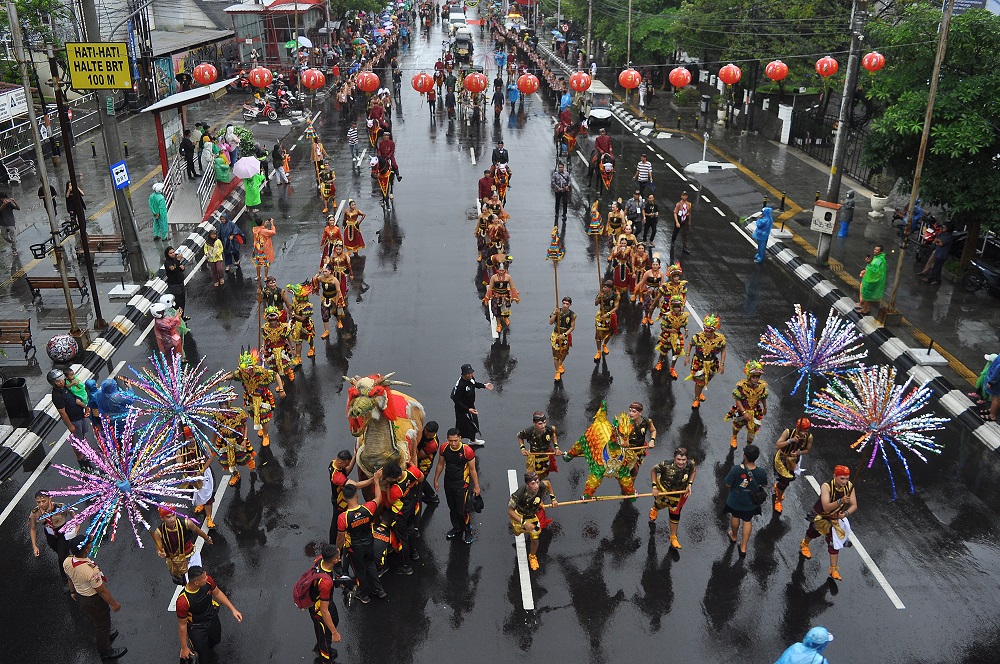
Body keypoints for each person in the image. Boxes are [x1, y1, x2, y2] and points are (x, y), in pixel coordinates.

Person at [64, 541, 127, 661]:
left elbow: (70, 578)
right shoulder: (90, 571)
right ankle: (105, 651)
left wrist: (72, 592)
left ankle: (106, 636)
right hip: (93, 600)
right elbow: (102, 591)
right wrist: (114, 604)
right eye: (88, 545)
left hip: (80, 595)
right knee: (102, 624)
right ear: (86, 550)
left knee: (98, 620)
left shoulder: (67, 561)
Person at [800, 465, 858, 580]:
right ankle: (805, 544)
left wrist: (845, 514)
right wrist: (841, 501)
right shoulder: (826, 486)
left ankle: (833, 569)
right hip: (821, 516)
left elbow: (854, 505)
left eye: (847, 478)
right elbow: (826, 507)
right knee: (813, 532)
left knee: (834, 542)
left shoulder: (849, 486)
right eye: (842, 478)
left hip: (835, 518)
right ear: (834, 476)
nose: (845, 481)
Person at [176, 566, 243, 664]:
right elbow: (182, 625)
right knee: (204, 657)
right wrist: (184, 647)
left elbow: (218, 593)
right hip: (197, 627)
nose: (207, 578)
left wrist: (233, 610)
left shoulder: (208, 581)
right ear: (196, 583)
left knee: (216, 639)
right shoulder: (183, 601)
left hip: (212, 618)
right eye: (203, 577)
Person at [336, 479, 387, 603]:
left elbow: (340, 538)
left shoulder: (343, 518)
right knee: (370, 565)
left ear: (344, 497)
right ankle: (379, 590)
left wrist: (338, 550)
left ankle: (364, 595)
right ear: (357, 495)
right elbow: (378, 497)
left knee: (360, 571)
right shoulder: (368, 508)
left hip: (355, 548)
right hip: (369, 542)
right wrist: (376, 481)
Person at [433, 428, 481, 544]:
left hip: (462, 484)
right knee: (452, 508)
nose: (453, 443)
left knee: (462, 510)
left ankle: (468, 531)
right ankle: (457, 527)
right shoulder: (444, 448)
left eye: (455, 440)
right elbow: (440, 464)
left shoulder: (467, 451)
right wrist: (436, 479)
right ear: (447, 439)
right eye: (451, 441)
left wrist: (476, 486)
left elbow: (473, 470)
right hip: (448, 482)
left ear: (460, 438)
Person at [724, 444, 767, 558]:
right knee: (747, 521)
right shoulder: (761, 472)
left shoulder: (736, 469)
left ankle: (733, 536)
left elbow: (728, 484)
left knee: (735, 516)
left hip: (736, 500)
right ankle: (743, 547)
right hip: (751, 503)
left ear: (745, 456)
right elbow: (764, 484)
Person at [28, 490, 81, 583]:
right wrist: (34, 546)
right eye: (38, 502)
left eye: (43, 501)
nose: (41, 504)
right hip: (50, 534)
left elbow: (72, 513)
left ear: (50, 499)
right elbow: (32, 528)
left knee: (61, 556)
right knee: (63, 554)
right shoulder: (35, 513)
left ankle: (66, 580)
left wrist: (78, 525)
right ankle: (72, 562)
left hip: (62, 532)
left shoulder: (60, 507)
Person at [508, 471, 557, 570]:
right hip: (520, 516)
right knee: (517, 532)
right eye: (533, 483)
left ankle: (532, 556)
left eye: (537, 482)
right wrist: (524, 523)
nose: (536, 486)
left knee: (535, 538)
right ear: (527, 484)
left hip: (532, 516)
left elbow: (548, 483)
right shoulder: (519, 494)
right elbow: (510, 511)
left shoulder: (541, 486)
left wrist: (553, 499)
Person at [649, 447, 696, 549]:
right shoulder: (665, 465)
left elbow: (693, 471)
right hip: (664, 491)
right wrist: (654, 487)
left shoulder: (690, 464)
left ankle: (673, 536)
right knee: (660, 504)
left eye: (683, 460)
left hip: (679, 493)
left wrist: (690, 484)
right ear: (674, 458)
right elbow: (653, 470)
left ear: (687, 459)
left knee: (675, 512)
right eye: (678, 459)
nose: (681, 462)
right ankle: (655, 508)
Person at [382, 461, 424, 574]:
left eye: (389, 478)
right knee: (411, 531)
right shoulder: (413, 471)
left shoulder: (395, 489)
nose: (388, 479)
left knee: (403, 539)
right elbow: (421, 478)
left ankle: (406, 566)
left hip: (400, 514)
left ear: (397, 477)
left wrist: (387, 489)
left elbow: (391, 501)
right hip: (411, 507)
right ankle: (414, 553)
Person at [152, 508, 213, 585]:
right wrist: (161, 553)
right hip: (177, 561)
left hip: (191, 554)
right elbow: (159, 548)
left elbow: (197, 530)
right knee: (187, 583)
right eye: (168, 517)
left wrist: (207, 538)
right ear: (162, 518)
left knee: (199, 577)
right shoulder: (159, 532)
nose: (172, 519)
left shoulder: (187, 523)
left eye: (173, 515)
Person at [307, 544, 343, 663]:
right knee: (325, 639)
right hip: (320, 611)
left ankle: (319, 648)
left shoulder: (318, 560)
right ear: (334, 560)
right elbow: (324, 610)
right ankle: (325, 659)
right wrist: (335, 633)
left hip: (317, 604)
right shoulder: (326, 583)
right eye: (338, 556)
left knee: (322, 630)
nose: (340, 557)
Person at [771, 417, 813, 514]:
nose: (803, 433)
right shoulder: (788, 432)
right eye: (801, 431)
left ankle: (779, 496)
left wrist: (799, 453)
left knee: (785, 482)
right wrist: (790, 441)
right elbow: (778, 445)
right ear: (797, 428)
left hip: (793, 461)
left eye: (805, 431)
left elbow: (807, 450)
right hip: (782, 458)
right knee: (782, 479)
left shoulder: (809, 437)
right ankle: (778, 498)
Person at [685, 313, 727, 409]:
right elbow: (690, 344)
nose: (707, 333)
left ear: (714, 330)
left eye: (710, 331)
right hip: (699, 362)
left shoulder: (720, 340)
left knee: (705, 380)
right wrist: (687, 356)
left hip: (711, 363)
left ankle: (699, 393)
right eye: (706, 330)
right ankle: (696, 398)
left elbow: (723, 350)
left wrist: (722, 364)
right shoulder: (698, 337)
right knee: (699, 382)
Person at [726, 360, 768, 448]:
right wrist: (744, 412)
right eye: (754, 377)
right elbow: (737, 400)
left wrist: (765, 407)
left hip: (755, 410)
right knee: (737, 425)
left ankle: (748, 445)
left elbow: (763, 397)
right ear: (749, 376)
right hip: (742, 409)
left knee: (753, 428)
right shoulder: (742, 386)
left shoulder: (762, 387)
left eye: (758, 377)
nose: (756, 379)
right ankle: (734, 437)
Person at [214, 396, 254, 486]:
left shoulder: (238, 412)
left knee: (243, 457)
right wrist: (212, 443)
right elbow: (215, 430)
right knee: (228, 461)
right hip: (225, 442)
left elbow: (245, 426)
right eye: (221, 404)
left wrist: (244, 439)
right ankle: (235, 474)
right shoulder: (217, 415)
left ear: (229, 403)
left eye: (225, 403)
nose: (223, 406)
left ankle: (251, 464)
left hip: (238, 440)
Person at [49, 368, 89, 458]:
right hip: (73, 420)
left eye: (62, 379)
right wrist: (70, 425)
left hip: (80, 415)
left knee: (82, 435)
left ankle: (85, 449)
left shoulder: (65, 386)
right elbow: (62, 413)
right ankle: (80, 457)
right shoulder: (57, 395)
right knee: (76, 440)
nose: (61, 382)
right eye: (57, 381)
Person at [451, 364, 493, 446]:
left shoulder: (470, 379)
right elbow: (456, 400)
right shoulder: (460, 385)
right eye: (468, 374)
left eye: (471, 373)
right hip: (462, 409)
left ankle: (472, 439)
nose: (470, 375)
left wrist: (484, 386)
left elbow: (475, 384)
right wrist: (467, 409)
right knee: (462, 425)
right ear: (463, 374)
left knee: (473, 423)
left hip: (470, 406)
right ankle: (457, 441)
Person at [328, 449, 356, 543]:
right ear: (340, 462)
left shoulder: (334, 463)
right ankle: (334, 544)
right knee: (337, 523)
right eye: (346, 463)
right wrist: (373, 479)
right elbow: (355, 485)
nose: (348, 465)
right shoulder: (336, 476)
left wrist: (355, 456)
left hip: (338, 498)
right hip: (340, 502)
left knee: (335, 520)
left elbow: (346, 471)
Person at [550, 296, 576, 380]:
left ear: (570, 305)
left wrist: (564, 335)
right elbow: (550, 322)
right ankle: (557, 371)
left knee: (564, 353)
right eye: (563, 303)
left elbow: (572, 327)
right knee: (556, 355)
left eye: (567, 304)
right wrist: (555, 314)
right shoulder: (557, 311)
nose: (565, 305)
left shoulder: (572, 314)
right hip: (556, 335)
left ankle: (560, 363)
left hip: (565, 336)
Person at [856, 244, 886, 315]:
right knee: (868, 295)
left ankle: (864, 309)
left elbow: (875, 270)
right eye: (875, 249)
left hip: (872, 280)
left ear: (880, 252)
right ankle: (867, 307)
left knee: (867, 294)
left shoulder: (879, 260)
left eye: (877, 250)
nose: (875, 251)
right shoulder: (877, 258)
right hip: (870, 278)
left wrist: (869, 263)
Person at [416, 421, 441, 505]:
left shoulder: (433, 444)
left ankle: (430, 497)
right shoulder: (422, 430)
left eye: (429, 434)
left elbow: (419, 456)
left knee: (419, 481)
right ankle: (432, 496)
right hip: (418, 456)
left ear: (435, 433)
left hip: (424, 464)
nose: (426, 434)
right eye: (426, 432)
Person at [594, 280, 620, 360]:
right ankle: (598, 351)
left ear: (610, 288)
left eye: (606, 287)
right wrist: (599, 297)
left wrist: (608, 314)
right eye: (604, 287)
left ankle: (604, 344)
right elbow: (596, 303)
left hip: (610, 316)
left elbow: (616, 307)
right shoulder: (601, 293)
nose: (604, 288)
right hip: (601, 315)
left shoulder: (616, 296)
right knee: (598, 334)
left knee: (609, 332)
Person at [164, 246, 187, 311]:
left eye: (173, 252)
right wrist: (178, 260)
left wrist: (182, 268)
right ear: (167, 254)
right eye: (170, 253)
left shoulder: (175, 260)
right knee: (178, 302)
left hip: (181, 283)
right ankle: (178, 318)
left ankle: (181, 316)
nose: (173, 254)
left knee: (182, 301)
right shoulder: (167, 263)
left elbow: (178, 267)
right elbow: (173, 269)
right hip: (174, 285)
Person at [672, 190, 692, 258]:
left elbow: (689, 213)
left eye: (686, 195)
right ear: (681, 196)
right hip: (679, 218)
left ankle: (685, 248)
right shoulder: (679, 204)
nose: (684, 196)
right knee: (676, 231)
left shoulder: (688, 204)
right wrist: (677, 222)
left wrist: (689, 221)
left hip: (685, 219)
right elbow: (675, 213)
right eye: (683, 195)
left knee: (685, 234)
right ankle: (673, 241)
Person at [0, 190, 19, 256]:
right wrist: (3, 204)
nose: (5, 200)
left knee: (13, 237)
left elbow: (18, 208)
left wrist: (15, 202)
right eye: (3, 198)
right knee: (5, 237)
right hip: (2, 223)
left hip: (10, 222)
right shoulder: (2, 204)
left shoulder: (9, 203)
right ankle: (12, 242)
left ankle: (14, 249)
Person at [986, 352, 1000, 422]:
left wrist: (990, 382)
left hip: (997, 383)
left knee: (995, 398)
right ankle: (992, 409)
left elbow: (997, 372)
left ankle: (992, 415)